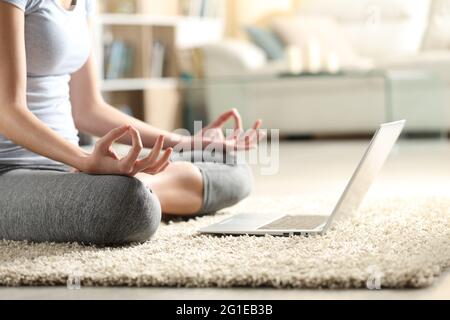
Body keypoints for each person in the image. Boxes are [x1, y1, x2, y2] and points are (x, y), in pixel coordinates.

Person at [0, 0, 263, 245]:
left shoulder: (85, 3)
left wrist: (183, 142)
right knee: (131, 206)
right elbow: (9, 113)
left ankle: (137, 186)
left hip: (70, 168)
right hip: (9, 173)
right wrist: (85, 160)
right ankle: (136, 189)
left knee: (229, 165)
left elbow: (89, 109)